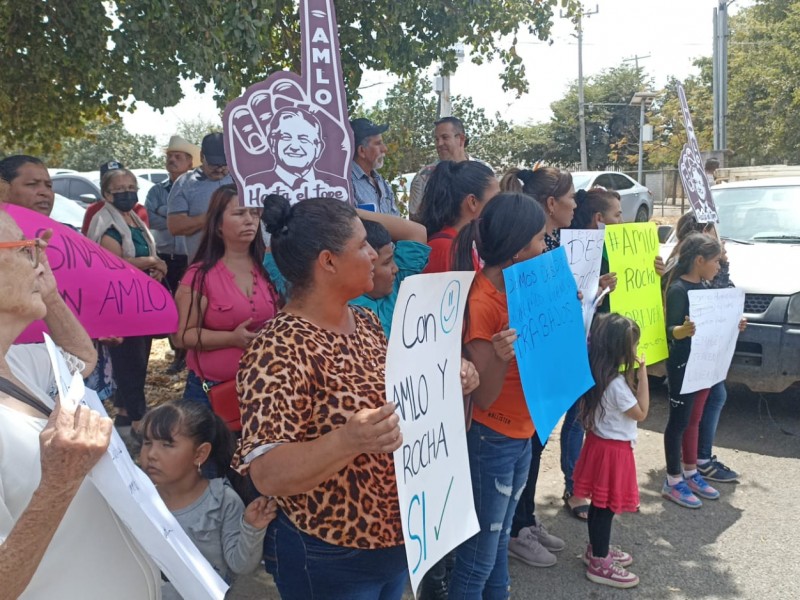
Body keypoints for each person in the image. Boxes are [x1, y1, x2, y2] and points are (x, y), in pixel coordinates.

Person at [234, 195, 478, 599]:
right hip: (330, 552)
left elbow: (398, 397)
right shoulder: (278, 349)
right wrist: (347, 441)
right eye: (363, 246)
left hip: (394, 540)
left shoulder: (363, 321)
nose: (374, 255)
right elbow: (267, 473)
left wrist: (444, 380)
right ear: (328, 262)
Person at [0, 209, 161, 598]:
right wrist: (60, 482)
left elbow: (80, 358)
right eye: (26, 249)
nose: (40, 258)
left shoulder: (12, 360)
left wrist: (49, 294)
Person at [447, 192, 551, 598]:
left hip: (521, 434)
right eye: (541, 239)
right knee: (478, 559)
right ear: (518, 246)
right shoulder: (481, 301)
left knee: (498, 543)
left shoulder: (521, 288)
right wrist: (503, 356)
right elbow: (484, 398)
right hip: (492, 439)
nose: (545, 247)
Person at [500, 166, 574, 567]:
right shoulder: (529, 249)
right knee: (526, 449)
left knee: (535, 447)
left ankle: (526, 519)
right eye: (570, 198)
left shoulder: (551, 244)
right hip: (526, 370)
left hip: (545, 366)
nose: (575, 205)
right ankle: (516, 530)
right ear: (551, 204)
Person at [140, 400, 277, 600]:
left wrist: (251, 527)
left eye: (167, 445)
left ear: (200, 453)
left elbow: (240, 565)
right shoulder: (141, 499)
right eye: (147, 443)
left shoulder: (221, 502)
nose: (151, 454)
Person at [174, 184, 280, 407]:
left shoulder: (267, 269)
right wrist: (231, 338)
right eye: (239, 213)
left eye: (254, 213)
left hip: (262, 387)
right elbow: (182, 336)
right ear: (218, 225)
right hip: (211, 392)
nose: (249, 220)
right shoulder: (199, 275)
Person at [558, 187, 624, 522]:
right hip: (576, 341)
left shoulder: (618, 248)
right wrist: (597, 285)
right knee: (574, 416)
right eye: (617, 215)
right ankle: (574, 486)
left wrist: (657, 271)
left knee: (587, 415)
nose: (622, 220)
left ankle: (584, 481)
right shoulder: (578, 248)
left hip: (600, 344)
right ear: (599, 219)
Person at [87, 168, 167, 437]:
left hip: (140, 300)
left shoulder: (134, 219)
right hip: (120, 305)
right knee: (129, 362)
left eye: (131, 187)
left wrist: (158, 266)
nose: (126, 193)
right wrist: (148, 263)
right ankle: (137, 420)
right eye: (119, 189)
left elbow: (149, 254)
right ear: (106, 193)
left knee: (140, 358)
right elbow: (112, 264)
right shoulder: (106, 224)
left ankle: (123, 418)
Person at [572, 313, 649, 589]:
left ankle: (596, 549)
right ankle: (600, 561)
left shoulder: (599, 372)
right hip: (613, 452)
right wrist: (642, 373)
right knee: (606, 507)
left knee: (599, 505)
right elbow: (641, 413)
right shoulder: (617, 385)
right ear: (622, 350)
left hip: (598, 445)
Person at [663, 212, 741, 482]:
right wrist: (681, 332)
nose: (719, 267)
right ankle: (674, 479)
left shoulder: (707, 286)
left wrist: (734, 323)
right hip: (684, 365)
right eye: (716, 261)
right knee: (680, 422)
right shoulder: (678, 290)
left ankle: (692, 470)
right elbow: (669, 329)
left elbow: (714, 321)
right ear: (699, 260)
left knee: (694, 418)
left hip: (704, 363)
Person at [146, 135, 201, 374]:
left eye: (178, 157)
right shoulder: (156, 191)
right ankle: (177, 353)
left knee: (192, 305)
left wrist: (171, 215)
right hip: (166, 257)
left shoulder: (198, 188)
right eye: (170, 157)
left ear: (190, 162)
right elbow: (154, 220)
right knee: (170, 304)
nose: (172, 160)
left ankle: (187, 354)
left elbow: (166, 218)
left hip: (192, 257)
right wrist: (181, 219)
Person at [242, 107, 349, 204]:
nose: (295, 146)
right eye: (286, 137)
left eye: (304, 139)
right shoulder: (253, 184)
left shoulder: (338, 185)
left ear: (318, 148)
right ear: (273, 143)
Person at [350, 211, 430, 337]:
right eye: (387, 262)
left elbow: (417, 232)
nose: (396, 268)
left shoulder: (399, 286)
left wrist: (349, 212)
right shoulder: (346, 310)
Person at [418, 160, 499, 274]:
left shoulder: (466, 244)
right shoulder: (445, 249)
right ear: (473, 202)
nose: (500, 204)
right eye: (496, 198)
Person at [167, 133, 233, 262]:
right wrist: (213, 216)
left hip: (240, 267)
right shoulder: (184, 183)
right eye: (214, 164)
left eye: (224, 164)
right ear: (202, 156)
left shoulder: (242, 180)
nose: (220, 169)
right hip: (203, 265)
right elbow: (175, 226)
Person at [409, 117, 471, 219]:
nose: (439, 144)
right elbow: (414, 220)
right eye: (437, 139)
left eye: (445, 137)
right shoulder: (424, 176)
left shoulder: (484, 170)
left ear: (461, 139)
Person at [82, 161, 150, 234]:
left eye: (130, 187)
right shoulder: (94, 210)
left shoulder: (138, 210)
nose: (126, 191)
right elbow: (87, 240)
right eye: (119, 188)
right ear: (104, 187)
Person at [349, 118, 399, 215]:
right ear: (362, 151)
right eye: (378, 144)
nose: (385, 149)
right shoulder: (348, 183)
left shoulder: (380, 181)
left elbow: (395, 217)